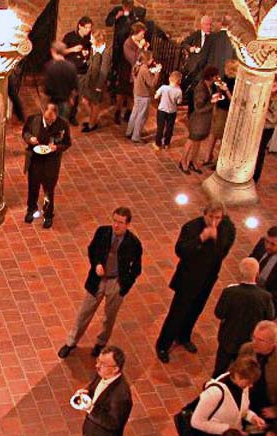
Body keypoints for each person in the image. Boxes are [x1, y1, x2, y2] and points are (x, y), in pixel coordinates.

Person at [155, 201, 236, 363]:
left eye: (218, 218)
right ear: (204, 214)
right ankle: (163, 344)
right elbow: (181, 251)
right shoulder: (191, 227)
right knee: (177, 313)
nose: (214, 221)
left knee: (196, 310)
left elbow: (223, 250)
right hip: (188, 279)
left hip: (208, 278)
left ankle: (184, 336)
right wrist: (201, 238)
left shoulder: (227, 228)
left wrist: (216, 238)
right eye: (211, 217)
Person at [58, 207, 142, 359]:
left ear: (127, 224)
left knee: (109, 317)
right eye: (114, 221)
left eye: (121, 222)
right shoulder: (102, 232)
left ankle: (101, 343)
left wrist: (124, 286)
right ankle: (71, 342)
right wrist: (96, 264)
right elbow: (92, 249)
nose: (116, 225)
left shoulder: (134, 243)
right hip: (97, 280)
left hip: (116, 282)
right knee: (84, 312)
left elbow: (136, 268)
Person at [190, 355, 265, 436]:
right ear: (238, 376)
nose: (251, 386)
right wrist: (228, 429)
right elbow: (196, 422)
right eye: (248, 382)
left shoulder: (243, 386)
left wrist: (253, 417)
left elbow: (241, 410)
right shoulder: (215, 393)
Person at [212, 257, 274, 377]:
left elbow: (219, 313)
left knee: (219, 370)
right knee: (242, 373)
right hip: (249, 344)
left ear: (241, 273)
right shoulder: (265, 297)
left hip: (228, 338)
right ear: (257, 273)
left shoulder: (229, 292)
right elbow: (270, 317)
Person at [22, 102, 71, 229]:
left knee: (49, 190)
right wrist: (30, 139)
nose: (49, 122)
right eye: (47, 119)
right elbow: (25, 133)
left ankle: (48, 214)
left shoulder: (62, 125)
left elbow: (67, 143)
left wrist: (57, 147)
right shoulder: (33, 120)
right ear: (43, 113)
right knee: (33, 187)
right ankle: (31, 209)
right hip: (35, 160)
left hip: (51, 162)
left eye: (52, 120)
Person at [178, 65, 223, 174]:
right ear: (211, 76)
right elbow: (199, 107)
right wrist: (212, 103)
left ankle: (193, 161)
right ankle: (183, 161)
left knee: (198, 142)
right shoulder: (201, 88)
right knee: (191, 140)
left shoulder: (211, 86)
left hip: (205, 121)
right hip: (197, 120)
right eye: (216, 76)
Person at [203, 59, 237, 168]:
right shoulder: (225, 78)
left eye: (226, 68)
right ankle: (208, 156)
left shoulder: (236, 83)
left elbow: (234, 101)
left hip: (227, 111)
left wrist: (226, 90)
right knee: (213, 133)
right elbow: (218, 92)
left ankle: (219, 160)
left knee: (222, 136)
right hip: (219, 108)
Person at [252, 73, 277, 184]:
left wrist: (263, 110)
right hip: (258, 125)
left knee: (260, 151)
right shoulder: (266, 93)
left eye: (274, 85)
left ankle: (255, 176)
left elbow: (273, 118)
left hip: (267, 128)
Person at [62, 16, 93, 125]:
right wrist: (72, 49)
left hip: (82, 71)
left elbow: (89, 52)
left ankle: (72, 116)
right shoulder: (69, 37)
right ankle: (63, 118)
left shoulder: (88, 39)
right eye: (86, 28)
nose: (88, 30)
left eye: (90, 28)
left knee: (77, 96)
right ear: (80, 26)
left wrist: (86, 54)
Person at [117, 22, 149, 126]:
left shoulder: (140, 42)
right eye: (142, 34)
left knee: (132, 95)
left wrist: (145, 49)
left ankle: (128, 113)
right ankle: (117, 112)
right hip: (126, 72)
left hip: (135, 73)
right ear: (135, 33)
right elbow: (133, 59)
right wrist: (140, 47)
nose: (143, 36)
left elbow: (143, 58)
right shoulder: (127, 43)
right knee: (122, 94)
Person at [125, 50, 160, 143]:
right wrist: (157, 73)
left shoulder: (137, 66)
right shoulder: (144, 70)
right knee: (142, 116)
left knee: (135, 113)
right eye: (151, 58)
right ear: (147, 60)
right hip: (143, 95)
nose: (152, 60)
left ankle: (129, 131)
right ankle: (136, 137)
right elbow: (152, 83)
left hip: (137, 93)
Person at [79, 30, 111, 133]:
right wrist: (86, 59)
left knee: (94, 103)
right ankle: (94, 119)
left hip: (97, 82)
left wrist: (99, 86)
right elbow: (92, 62)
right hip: (90, 79)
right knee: (85, 100)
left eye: (92, 38)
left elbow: (104, 71)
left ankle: (92, 124)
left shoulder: (105, 53)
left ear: (98, 40)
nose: (90, 40)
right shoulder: (94, 48)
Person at [180, 15, 212, 114]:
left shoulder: (213, 37)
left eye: (210, 25)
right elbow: (184, 43)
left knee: (199, 88)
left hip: (204, 67)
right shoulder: (196, 35)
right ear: (202, 25)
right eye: (207, 25)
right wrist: (190, 49)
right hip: (193, 66)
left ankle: (194, 109)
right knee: (188, 85)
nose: (209, 27)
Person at [43, 41, 79, 122]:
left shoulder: (49, 66)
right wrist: (71, 98)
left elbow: (47, 87)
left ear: (53, 51)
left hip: (52, 101)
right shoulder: (71, 66)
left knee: (50, 122)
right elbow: (75, 86)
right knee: (62, 123)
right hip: (65, 100)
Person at [153, 70, 182, 149]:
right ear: (179, 81)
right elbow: (179, 102)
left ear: (170, 79)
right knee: (170, 127)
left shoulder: (163, 88)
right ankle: (167, 143)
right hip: (172, 111)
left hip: (162, 109)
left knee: (160, 127)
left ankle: (157, 144)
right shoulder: (179, 91)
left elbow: (156, 96)